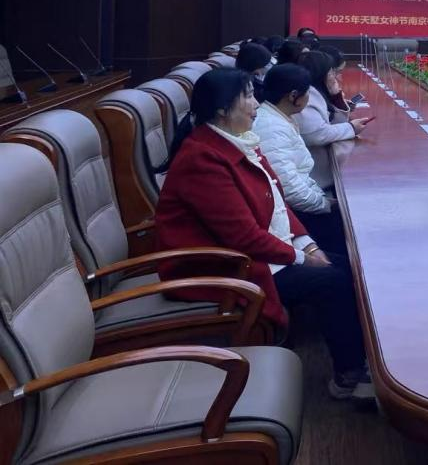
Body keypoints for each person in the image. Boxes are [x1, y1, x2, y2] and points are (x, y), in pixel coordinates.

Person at [154, 68, 372, 400]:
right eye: (248, 97)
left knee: (349, 265)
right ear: (223, 109)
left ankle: (359, 362)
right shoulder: (203, 159)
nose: (257, 104)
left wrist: (308, 244)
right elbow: (242, 237)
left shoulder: (240, 141)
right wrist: (301, 258)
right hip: (223, 267)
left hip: (256, 254)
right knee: (334, 281)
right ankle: (350, 375)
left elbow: (278, 203)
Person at [253, 63, 347, 255]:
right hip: (295, 214)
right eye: (308, 93)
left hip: (301, 205)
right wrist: (325, 204)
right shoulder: (272, 128)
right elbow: (290, 189)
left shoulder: (279, 117)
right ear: (293, 96)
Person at [296, 50, 369, 189]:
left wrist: (337, 98)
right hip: (313, 179)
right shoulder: (307, 97)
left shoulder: (318, 93)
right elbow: (318, 134)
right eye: (332, 73)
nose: (336, 78)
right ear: (321, 75)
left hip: (320, 173)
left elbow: (337, 123)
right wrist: (351, 128)